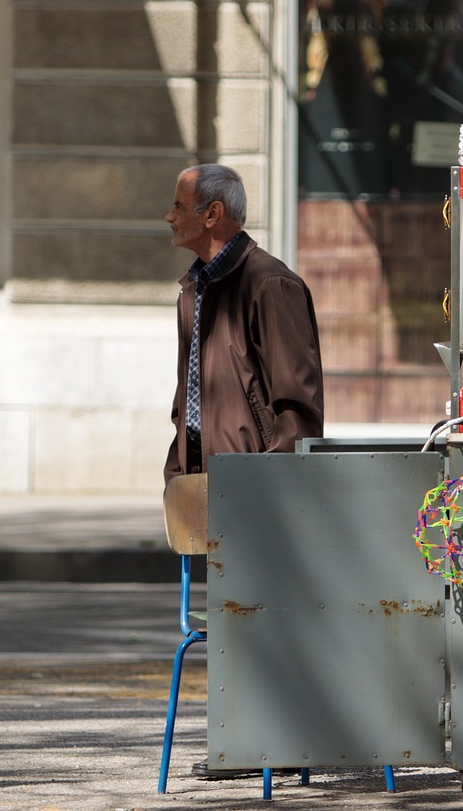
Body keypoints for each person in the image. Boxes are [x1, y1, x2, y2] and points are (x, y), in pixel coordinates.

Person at [162, 163, 323, 779]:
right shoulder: (195, 286)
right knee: (234, 614)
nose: (168, 216)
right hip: (211, 476)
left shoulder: (270, 285)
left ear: (213, 214)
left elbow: (298, 402)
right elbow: (192, 391)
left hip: (262, 481)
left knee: (264, 614)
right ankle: (241, 742)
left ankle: (263, 743)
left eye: (178, 205)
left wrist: (278, 484)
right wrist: (180, 461)